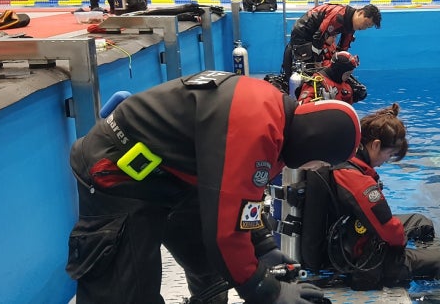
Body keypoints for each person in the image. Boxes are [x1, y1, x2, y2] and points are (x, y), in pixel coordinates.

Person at [65, 70, 361, 304]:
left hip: (171, 178)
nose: (312, 169)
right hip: (118, 172)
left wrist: (263, 247)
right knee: (128, 294)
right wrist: (266, 291)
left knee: (214, 271)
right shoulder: (257, 128)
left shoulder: (275, 118)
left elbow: (238, 198)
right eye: (319, 164)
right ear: (316, 147)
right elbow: (226, 236)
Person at [298, 103, 440, 291]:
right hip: (357, 258)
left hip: (349, 236)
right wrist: (400, 250)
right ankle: (409, 268)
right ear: (376, 145)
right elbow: (389, 229)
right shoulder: (354, 178)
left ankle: (417, 259)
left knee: (422, 223)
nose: (386, 161)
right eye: (389, 155)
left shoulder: (345, 156)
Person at [280, 3, 381, 88]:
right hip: (303, 32)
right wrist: (318, 61)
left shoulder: (351, 26)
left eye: (368, 27)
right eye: (366, 24)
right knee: (312, 70)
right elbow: (318, 37)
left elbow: (343, 48)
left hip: (316, 35)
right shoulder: (339, 15)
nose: (364, 28)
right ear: (360, 13)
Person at [297, 51, 365, 105]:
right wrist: (324, 104)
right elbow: (301, 109)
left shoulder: (346, 83)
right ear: (339, 71)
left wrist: (358, 94)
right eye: (347, 74)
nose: (349, 77)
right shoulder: (316, 83)